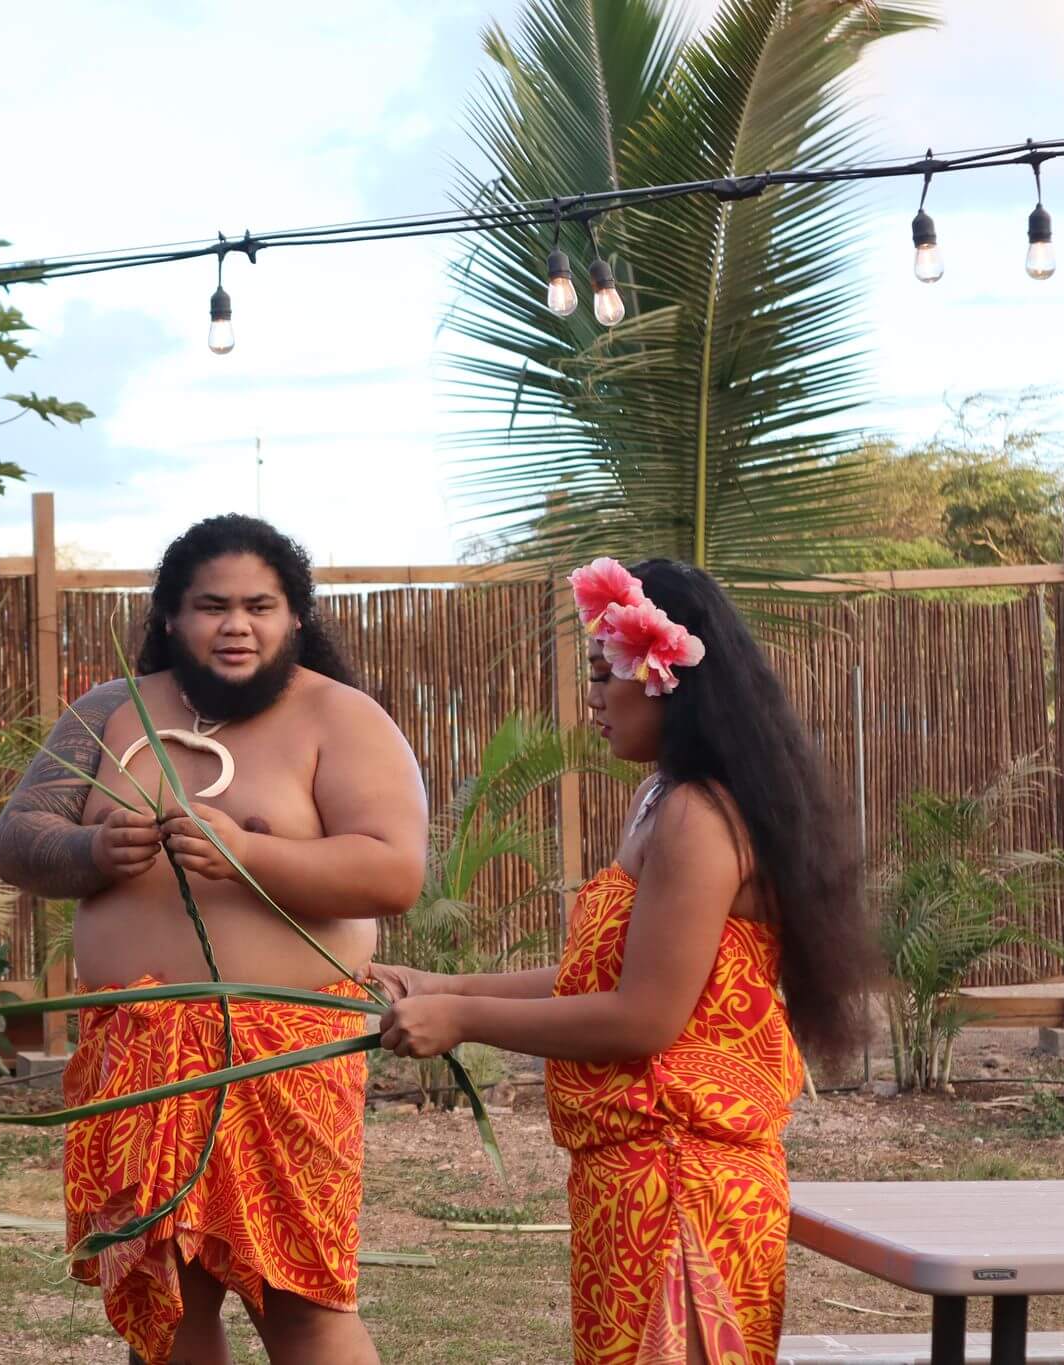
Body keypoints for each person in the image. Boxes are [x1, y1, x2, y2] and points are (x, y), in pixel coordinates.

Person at [374, 558, 876, 1365]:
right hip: (634, 1184)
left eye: (606, 674)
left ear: (665, 676)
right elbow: (600, 977)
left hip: (683, 1188)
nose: (594, 699)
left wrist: (464, 1020)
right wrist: (443, 984)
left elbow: (643, 1017)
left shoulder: (697, 818)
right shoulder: (660, 802)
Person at [0, 515, 427, 1365]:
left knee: (299, 1295)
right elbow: (18, 837)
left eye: (260, 605)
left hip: (282, 1051)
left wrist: (249, 851)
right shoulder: (109, 711)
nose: (237, 625)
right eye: (212, 606)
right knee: (163, 1300)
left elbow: (393, 872)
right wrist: (90, 849)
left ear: (295, 617)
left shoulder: (341, 717)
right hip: (136, 1050)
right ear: (169, 617)